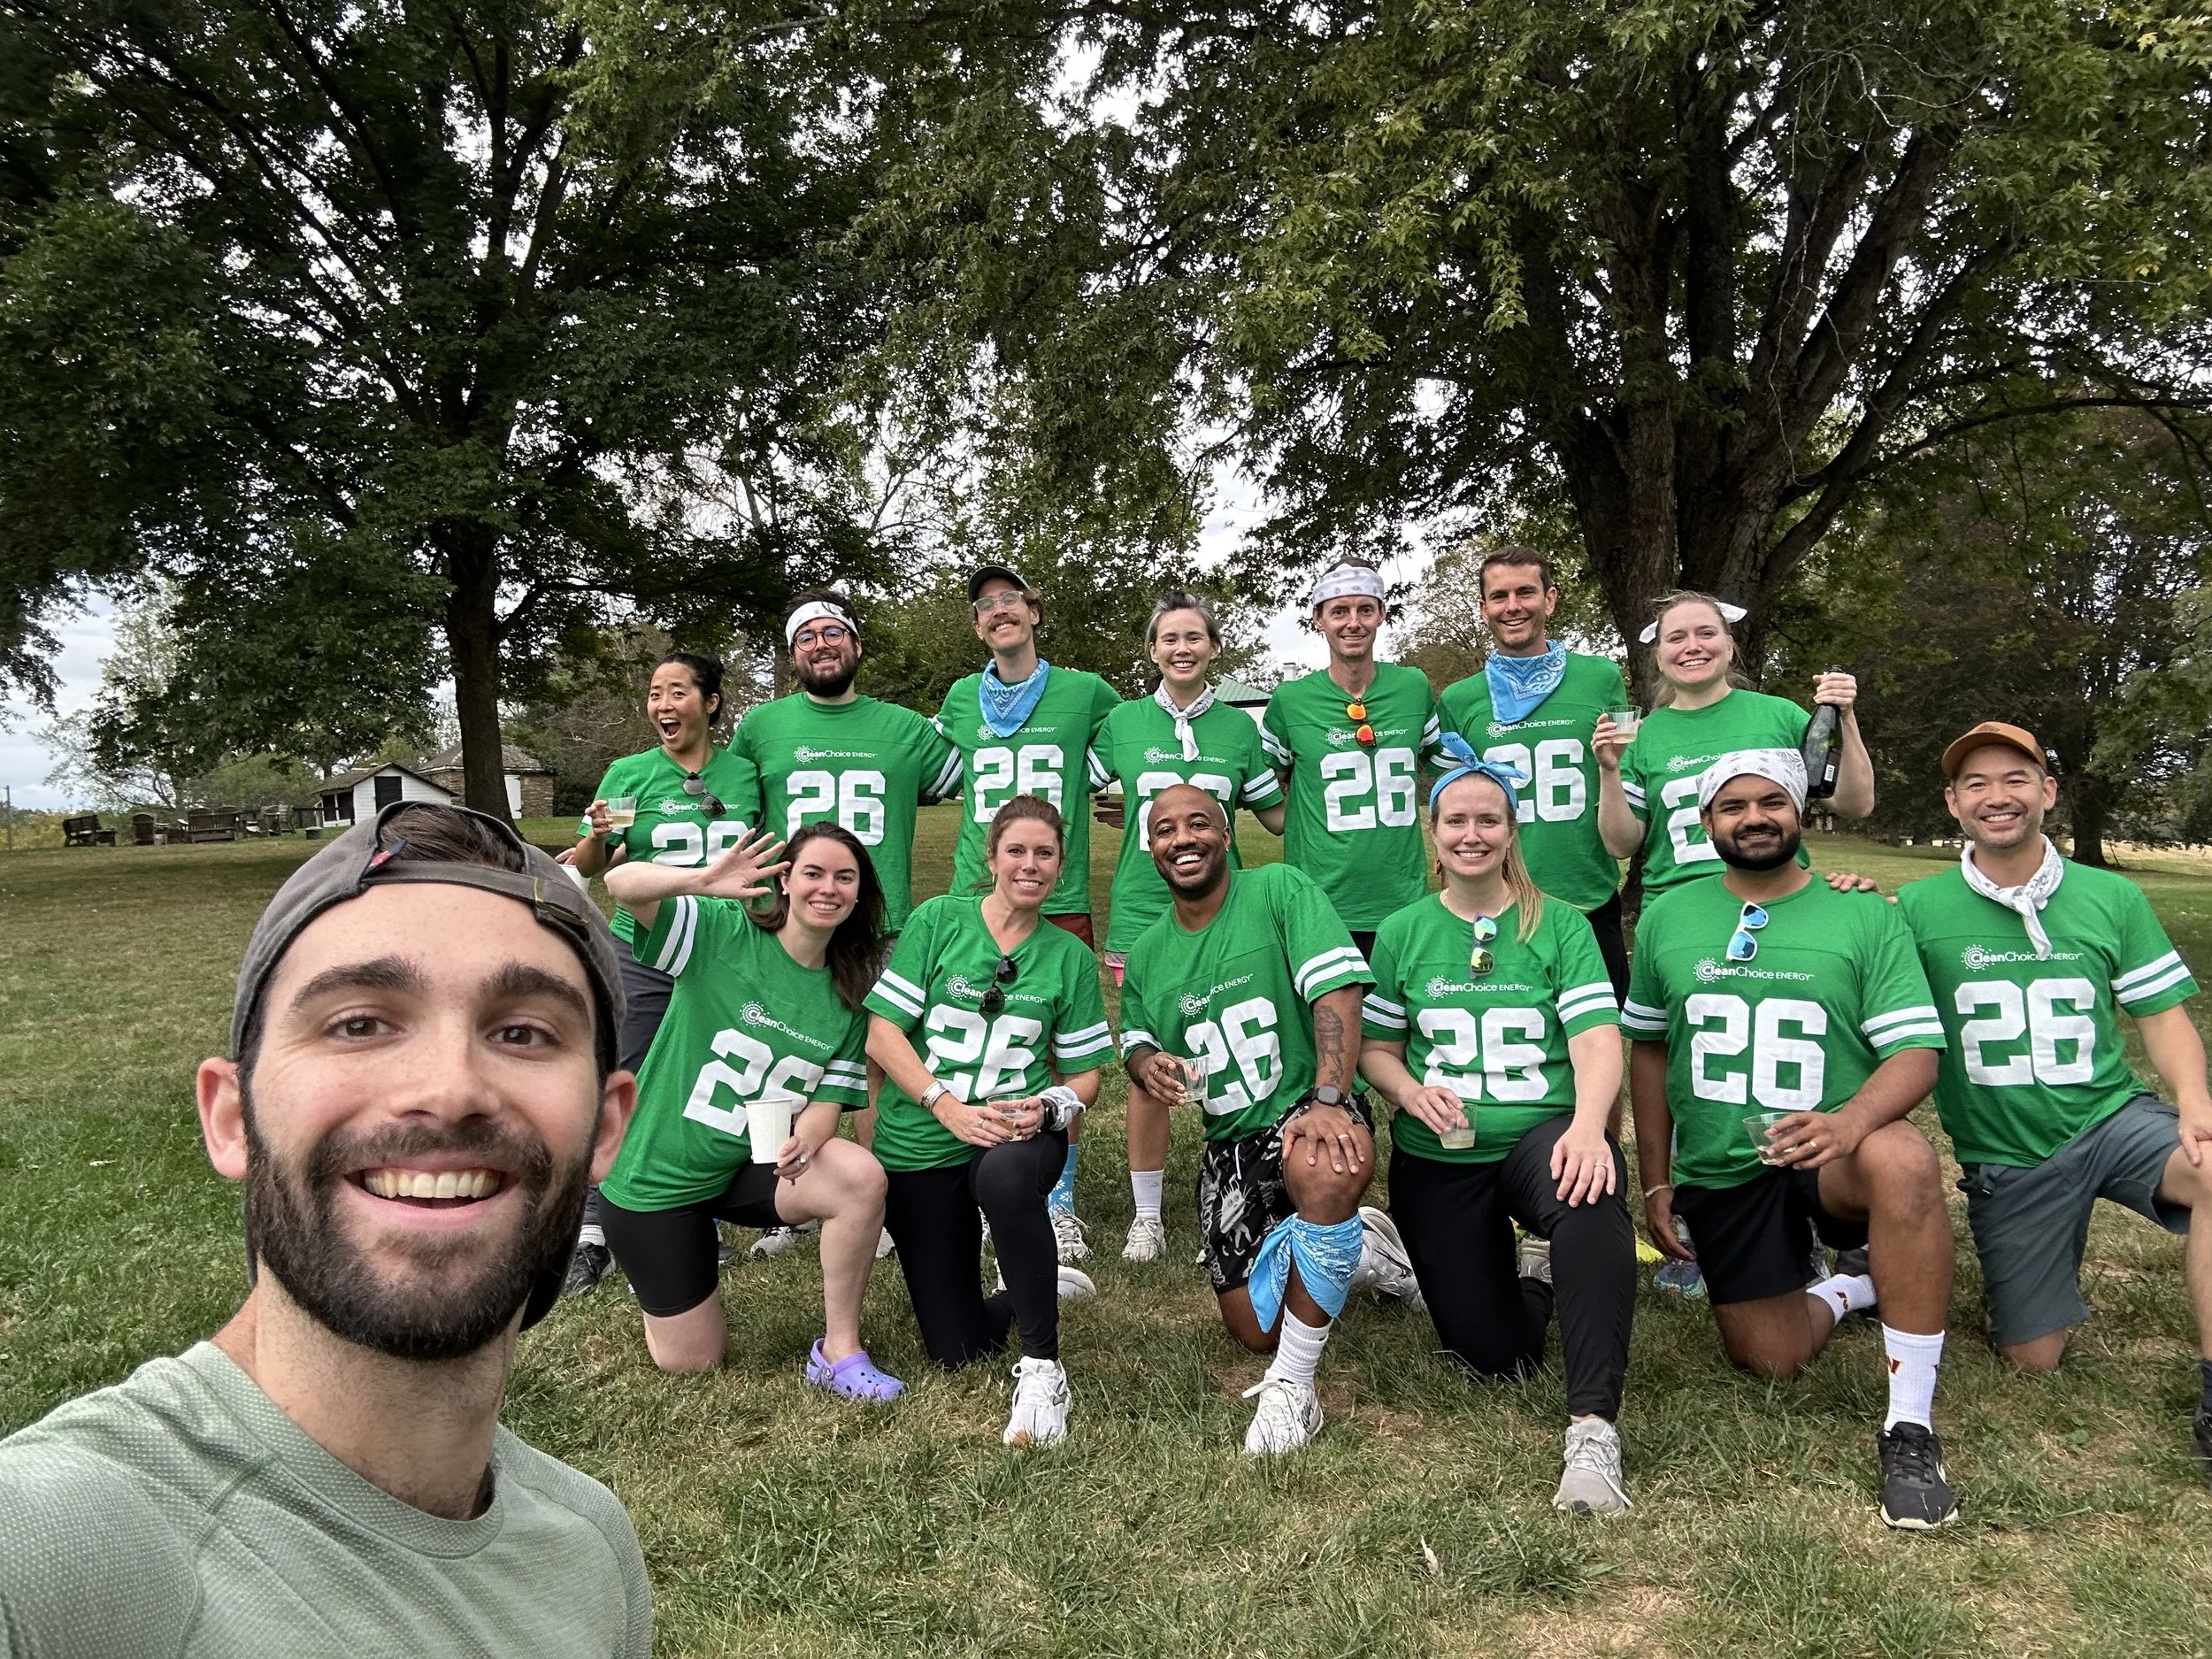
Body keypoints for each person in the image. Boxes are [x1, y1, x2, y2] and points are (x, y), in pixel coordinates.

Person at [0, 803, 652, 1655]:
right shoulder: (50, 1551)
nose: (449, 1088)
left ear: (606, 1128)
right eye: (359, 1023)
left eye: (523, 1032)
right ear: (231, 1117)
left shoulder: (592, 1549)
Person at [1623, 753, 1962, 1529]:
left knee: (1903, 1156)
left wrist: (1847, 1123)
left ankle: (1909, 1422)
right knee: (1768, 1360)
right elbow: (1649, 1049)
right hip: (1724, 1162)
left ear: (1800, 810)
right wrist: (1654, 1181)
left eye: (1771, 801)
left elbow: (1916, 1054)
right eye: (1732, 805)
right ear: (1705, 823)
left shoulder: (1864, 912)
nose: (1754, 817)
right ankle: (1851, 1286)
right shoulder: (1670, 914)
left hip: (1831, 1150)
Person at [1893, 721, 2212, 1478]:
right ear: (1952, 803)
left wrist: (2195, 1101)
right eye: (1976, 784)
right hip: (2012, 1152)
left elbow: (2162, 1015)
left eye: (2014, 779)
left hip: (2109, 1117)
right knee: (2031, 1358)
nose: (1997, 797)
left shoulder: (2111, 895)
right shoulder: (1914, 908)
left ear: (2048, 792)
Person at [1359, 743, 1636, 1514]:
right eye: (1456, 820)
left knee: (1588, 1186)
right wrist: (1410, 1091)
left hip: (1536, 1134)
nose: (1471, 833)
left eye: (1488, 819)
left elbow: (1594, 1040)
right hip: (1438, 1153)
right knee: (1494, 1355)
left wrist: (1588, 1127)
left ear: (1512, 831)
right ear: (1433, 831)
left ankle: (1592, 1429)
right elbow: (1376, 1049)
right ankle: (1528, 1276)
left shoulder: (1561, 925)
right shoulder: (1405, 929)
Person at [1119, 783, 1423, 1455]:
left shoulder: (1279, 889)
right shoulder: (1146, 953)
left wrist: (1329, 1097)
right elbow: (1135, 1041)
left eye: (1199, 823)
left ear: (1226, 835)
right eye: (1166, 830)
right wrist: (1147, 1065)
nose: (1183, 839)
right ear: (1151, 848)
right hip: (1229, 1139)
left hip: (1299, 1103)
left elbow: (1337, 987)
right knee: (1255, 1326)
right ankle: (1364, 1249)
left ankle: (1293, 1389)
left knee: (1322, 1160)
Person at [595, 823, 904, 1400]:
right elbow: (621, 883)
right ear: (784, 879)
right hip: (654, 1180)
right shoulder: (718, 933)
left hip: (746, 1163)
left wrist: (807, 1139)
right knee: (693, 1362)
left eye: (845, 877)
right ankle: (660, 1273)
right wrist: (700, 880)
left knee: (859, 1176)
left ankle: (839, 1350)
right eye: (813, 872)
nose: (828, 888)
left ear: (859, 893)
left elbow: (826, 1102)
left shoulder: (849, 987)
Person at [864, 795, 1114, 1447]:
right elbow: (883, 1033)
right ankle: (1032, 1280)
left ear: (1060, 866)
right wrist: (945, 1106)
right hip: (924, 1135)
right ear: (992, 856)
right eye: (1017, 850)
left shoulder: (1068, 956)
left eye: (1045, 853)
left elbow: (1086, 1073)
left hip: (1014, 1131)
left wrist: (1051, 1105)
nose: (1030, 864)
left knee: (1006, 1180)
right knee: (958, 1348)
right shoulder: (939, 919)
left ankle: (1042, 1367)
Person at [733, 592, 963, 1258]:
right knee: (783, 1050)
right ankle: (789, 1196)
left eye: (834, 632)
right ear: (793, 653)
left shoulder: (907, 729)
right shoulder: (761, 727)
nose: (822, 644)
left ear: (856, 645)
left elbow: (967, 776)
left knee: (875, 1059)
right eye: (806, 636)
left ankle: (877, 1190)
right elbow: (733, 807)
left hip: (878, 919)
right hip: (794, 916)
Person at [1087, 590, 1286, 1261]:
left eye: (1194, 637)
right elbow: (1076, 782)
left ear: (1214, 647)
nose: (1181, 648)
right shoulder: (1122, 720)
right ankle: (1148, 1214)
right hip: (1146, 906)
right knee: (1150, 1055)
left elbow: (1277, 814)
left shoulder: (1240, 730)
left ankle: (1256, 1175)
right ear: (1152, 649)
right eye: (1168, 638)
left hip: (1225, 909)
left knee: (1229, 1035)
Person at [933, 565, 1123, 1263]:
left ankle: (1057, 1197)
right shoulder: (960, 697)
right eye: (984, 605)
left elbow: (1135, 742)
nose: (998, 610)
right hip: (971, 892)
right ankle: (968, 1182)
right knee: (970, 1040)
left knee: (1054, 1052)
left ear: (1035, 610)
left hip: (1056, 893)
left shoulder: (1085, 690)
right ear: (978, 624)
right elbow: (928, 770)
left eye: (1010, 598)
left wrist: (1132, 795)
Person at [565, 649, 761, 1293]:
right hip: (646, 945)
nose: (663, 705)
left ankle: (687, 1214)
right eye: (654, 694)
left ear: (710, 703)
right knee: (627, 1074)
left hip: (721, 949)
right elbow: (595, 864)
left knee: (700, 1082)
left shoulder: (746, 773)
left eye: (677, 692)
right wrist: (596, 834)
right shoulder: (628, 775)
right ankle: (592, 1229)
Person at [1437, 546, 1633, 997]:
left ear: (1549, 599)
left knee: (1598, 1037)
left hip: (1588, 891)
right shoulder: (1459, 698)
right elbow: (1457, 802)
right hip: (1498, 893)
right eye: (1499, 595)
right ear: (1484, 607)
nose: (1513, 606)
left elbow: (1626, 768)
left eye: (1525, 592)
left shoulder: (1602, 676)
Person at [1594, 589, 1872, 901]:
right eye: (1676, 638)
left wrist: (1845, 715)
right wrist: (1609, 770)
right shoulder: (1641, 733)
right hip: (1680, 907)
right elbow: (1620, 846)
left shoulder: (1781, 715)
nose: (1692, 646)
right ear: (1659, 658)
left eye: (1706, 633)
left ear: (1729, 646)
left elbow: (1854, 805)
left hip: (1778, 900)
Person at [1261, 559, 1446, 962]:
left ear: (1381, 613)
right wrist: (1285, 819)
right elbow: (1259, 781)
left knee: (1400, 1022)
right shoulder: (1291, 701)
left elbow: (1447, 768)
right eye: (1339, 611)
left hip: (1403, 898)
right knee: (1329, 1024)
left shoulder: (1412, 687)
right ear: (1319, 619)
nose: (1353, 622)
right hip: (1321, 903)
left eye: (1365, 609)